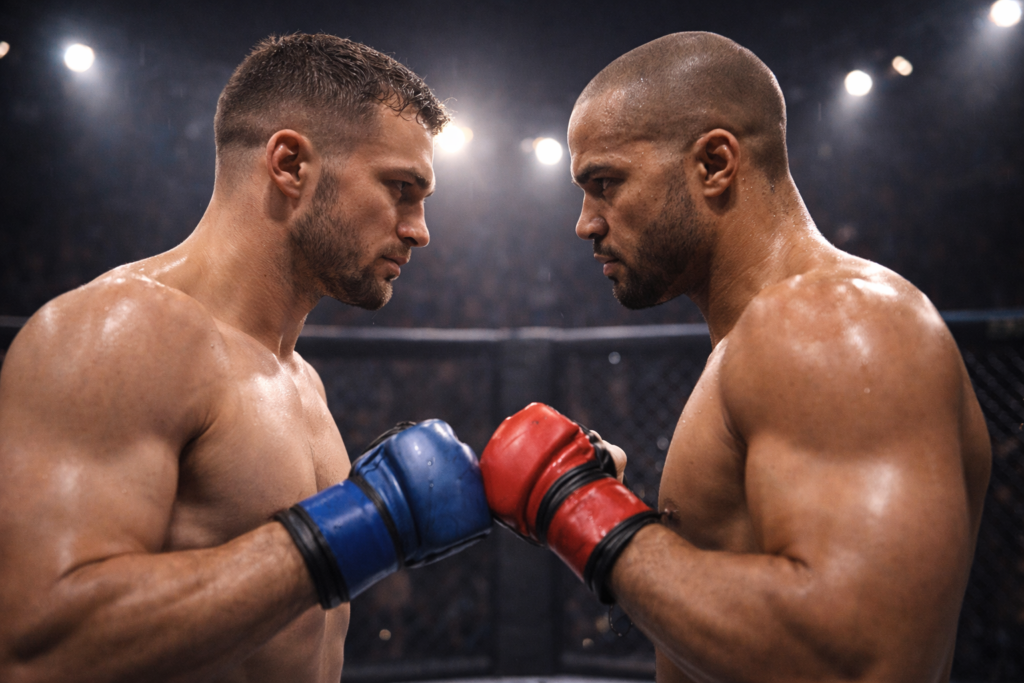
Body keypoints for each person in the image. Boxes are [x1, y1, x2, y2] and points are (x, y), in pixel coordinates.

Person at [479, 32, 991, 683]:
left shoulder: (828, 322)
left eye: (606, 182)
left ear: (715, 163)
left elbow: (857, 657)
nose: (586, 221)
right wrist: (603, 507)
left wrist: (581, 511)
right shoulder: (760, 339)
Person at [0, 33, 492, 683]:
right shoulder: (119, 331)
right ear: (289, 165)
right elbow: (40, 644)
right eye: (401, 188)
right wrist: (352, 528)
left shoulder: (302, 380)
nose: (420, 229)